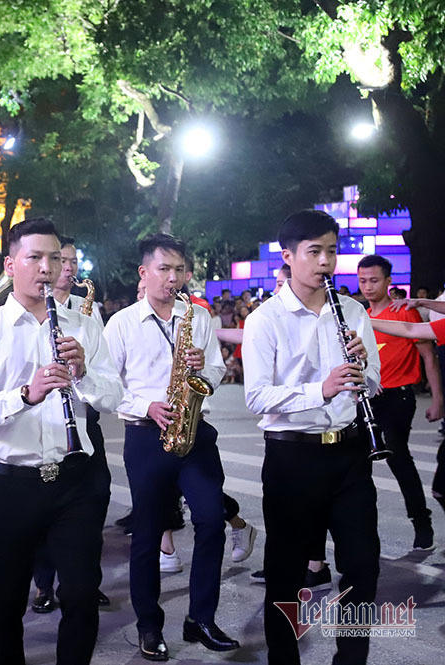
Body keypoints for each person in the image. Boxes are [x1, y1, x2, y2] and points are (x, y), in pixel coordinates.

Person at [0, 219, 123, 665]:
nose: (47, 268)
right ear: (11, 265)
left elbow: (113, 397)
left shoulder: (83, 326)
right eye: (34, 257)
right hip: (8, 483)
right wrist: (25, 395)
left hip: (74, 481)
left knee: (82, 593)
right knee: (5, 599)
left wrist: (83, 374)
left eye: (54, 258)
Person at [243, 210, 380, 665]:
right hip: (292, 457)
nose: (326, 261)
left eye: (332, 251)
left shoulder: (352, 311)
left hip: (349, 454)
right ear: (288, 256)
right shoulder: (265, 319)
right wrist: (320, 389)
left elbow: (374, 381)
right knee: (286, 575)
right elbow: (256, 396)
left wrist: (363, 370)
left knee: (363, 566)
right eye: (315, 251)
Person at [104, 233, 238, 662]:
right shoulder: (121, 322)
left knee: (212, 521)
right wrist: (146, 405)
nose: (173, 277)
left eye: (179, 269)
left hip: (194, 431)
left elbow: (216, 369)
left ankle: (201, 618)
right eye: (164, 269)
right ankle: (149, 624)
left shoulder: (198, 317)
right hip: (146, 435)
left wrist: (204, 371)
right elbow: (106, 386)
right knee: (147, 534)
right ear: (144, 273)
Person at [29, 235, 112, 614]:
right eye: (62, 260)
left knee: (95, 498)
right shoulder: (31, 309)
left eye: (74, 261)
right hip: (44, 419)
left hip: (84, 417)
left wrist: (85, 372)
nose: (69, 268)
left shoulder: (87, 311)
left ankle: (84, 582)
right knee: (45, 507)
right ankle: (44, 584)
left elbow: (104, 369)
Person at [357, 254, 442, 550]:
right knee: (357, 465)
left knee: (398, 456)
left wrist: (438, 399)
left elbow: (429, 356)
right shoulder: (359, 316)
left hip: (399, 396)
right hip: (368, 397)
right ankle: (362, 532)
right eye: (362, 281)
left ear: (388, 281)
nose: (368, 286)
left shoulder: (404, 312)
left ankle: (421, 522)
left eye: (374, 280)